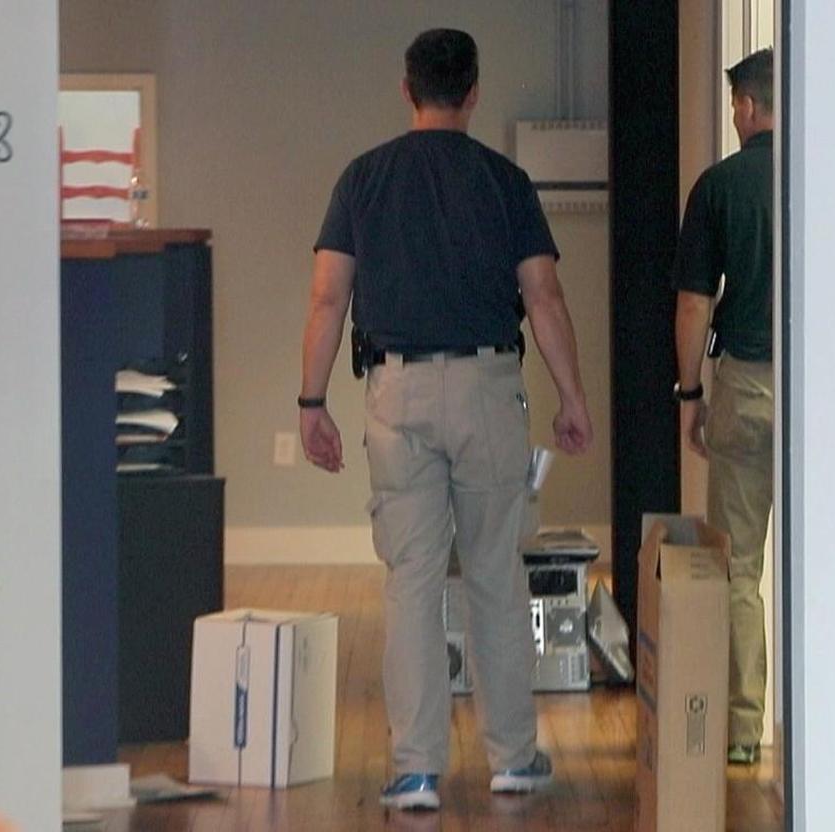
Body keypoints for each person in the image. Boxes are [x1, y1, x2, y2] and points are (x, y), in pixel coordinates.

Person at [298, 28, 593, 811]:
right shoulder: (505, 181)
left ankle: (417, 769)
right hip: (489, 387)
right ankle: (513, 758)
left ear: (407, 89)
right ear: (473, 93)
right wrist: (572, 396)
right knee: (496, 574)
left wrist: (311, 400)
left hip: (395, 394)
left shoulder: (363, 179)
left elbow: (328, 297)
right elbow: (545, 296)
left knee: (411, 582)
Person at [672, 48, 775, 766]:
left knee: (739, 564)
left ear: (744, 106)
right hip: (825, 389)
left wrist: (690, 394)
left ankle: (742, 732)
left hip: (745, 384)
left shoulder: (719, 187)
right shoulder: (827, 175)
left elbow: (692, 302)